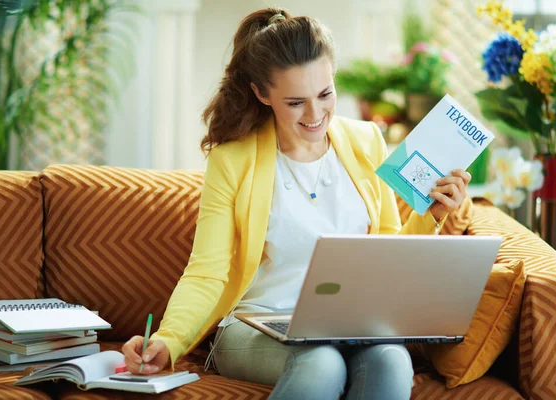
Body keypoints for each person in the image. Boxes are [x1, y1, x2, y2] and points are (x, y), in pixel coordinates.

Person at [122, 7, 471, 400]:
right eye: (295, 102)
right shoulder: (232, 160)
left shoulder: (367, 141)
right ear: (261, 93)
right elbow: (208, 272)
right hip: (256, 326)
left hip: (348, 323)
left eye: (325, 94)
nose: (315, 114)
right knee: (320, 360)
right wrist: (168, 340)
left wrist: (432, 215)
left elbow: (387, 252)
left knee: (391, 360)